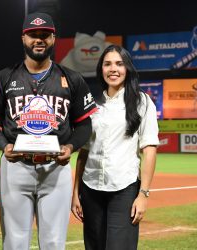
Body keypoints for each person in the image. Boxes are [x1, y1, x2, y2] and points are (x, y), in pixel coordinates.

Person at [0, 12, 97, 250]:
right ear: (24, 38)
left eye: (45, 35)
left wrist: (71, 147)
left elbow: (84, 125)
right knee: (14, 242)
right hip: (15, 166)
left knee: (54, 243)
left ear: (53, 39)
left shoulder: (71, 78)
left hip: (56, 168)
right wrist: (4, 146)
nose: (39, 39)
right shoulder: (4, 78)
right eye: (33, 35)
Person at [71, 44, 160, 250]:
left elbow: (149, 150)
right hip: (91, 189)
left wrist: (143, 195)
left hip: (124, 189)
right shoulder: (92, 105)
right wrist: (76, 193)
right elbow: (84, 153)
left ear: (127, 68)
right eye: (107, 64)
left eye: (119, 64)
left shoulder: (142, 102)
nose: (113, 69)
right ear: (101, 69)